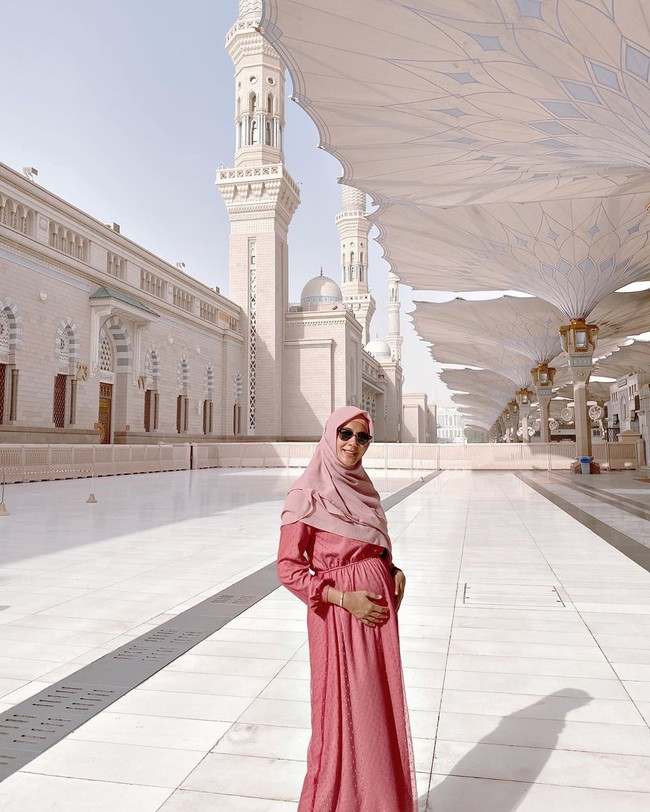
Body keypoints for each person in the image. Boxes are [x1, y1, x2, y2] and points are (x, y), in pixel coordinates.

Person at [277, 406, 417, 812]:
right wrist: (344, 598)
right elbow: (288, 569)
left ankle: (378, 800)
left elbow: (371, 546)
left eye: (362, 437)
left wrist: (393, 570)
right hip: (338, 618)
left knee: (375, 708)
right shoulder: (307, 494)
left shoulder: (364, 490)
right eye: (345, 434)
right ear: (329, 435)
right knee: (339, 714)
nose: (352, 444)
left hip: (375, 619)